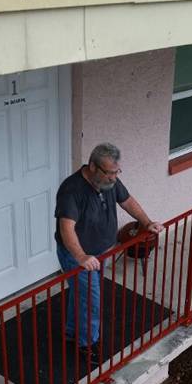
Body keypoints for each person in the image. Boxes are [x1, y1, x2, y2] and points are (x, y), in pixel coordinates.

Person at [54, 142, 163, 362]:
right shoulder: (72, 190)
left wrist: (147, 222)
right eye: (109, 173)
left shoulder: (109, 181)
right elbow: (66, 228)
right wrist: (81, 257)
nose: (114, 177)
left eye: (117, 172)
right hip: (79, 256)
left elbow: (128, 201)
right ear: (93, 167)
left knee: (82, 294)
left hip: (99, 253)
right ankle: (87, 345)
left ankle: (71, 332)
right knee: (91, 300)